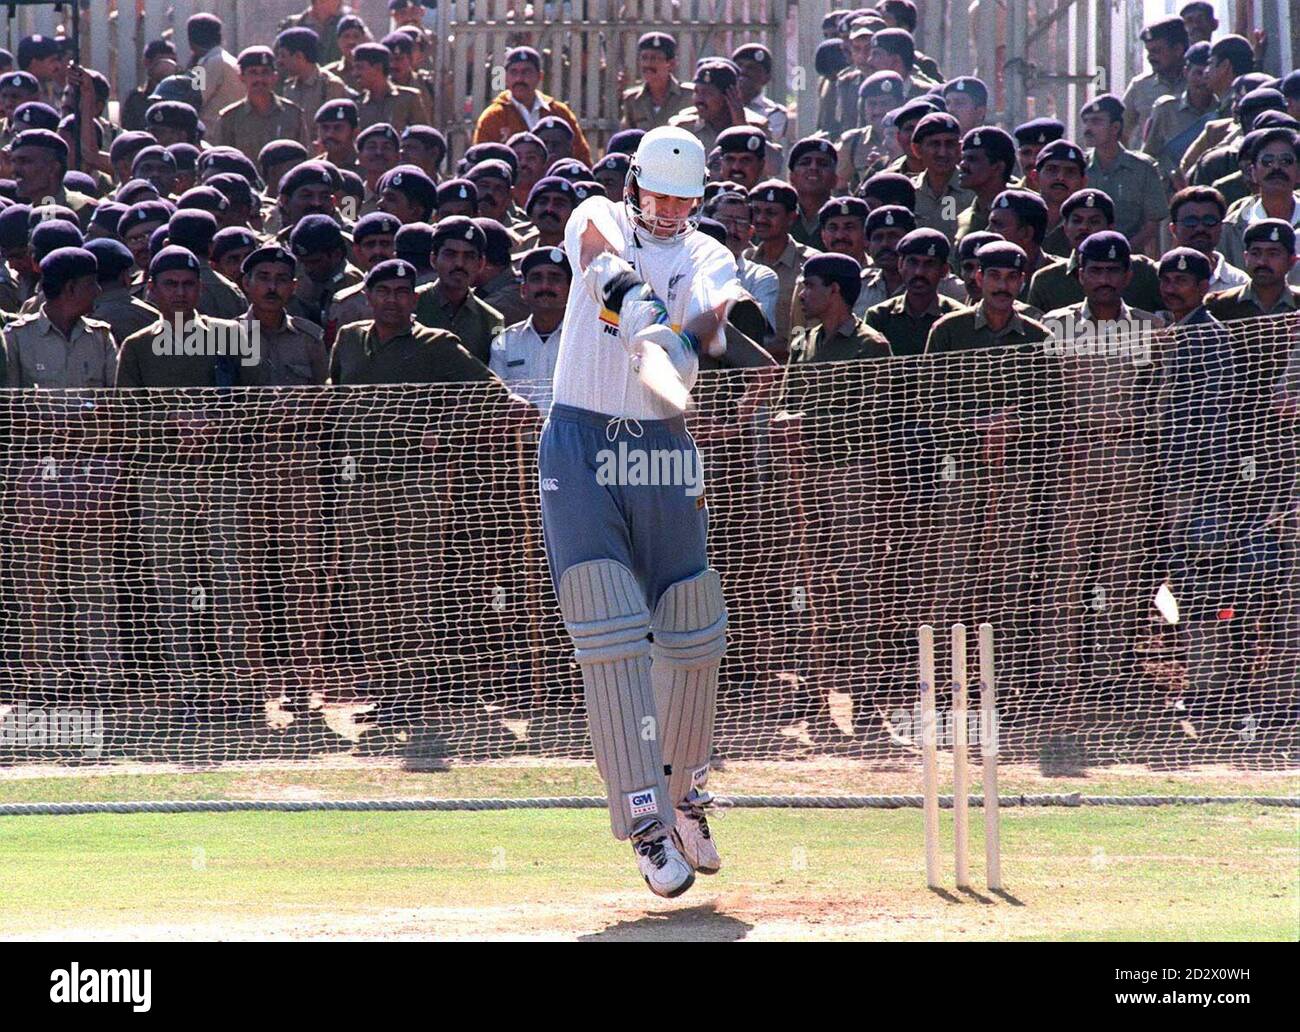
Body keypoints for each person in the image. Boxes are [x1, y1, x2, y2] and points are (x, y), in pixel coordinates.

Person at [540, 125, 740, 897]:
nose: (669, 210)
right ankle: (646, 825)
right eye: (658, 194)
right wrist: (630, 298)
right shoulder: (599, 212)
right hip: (581, 444)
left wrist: (675, 346)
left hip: (660, 445)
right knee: (610, 628)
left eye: (684, 199)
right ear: (635, 186)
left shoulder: (709, 254)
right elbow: (593, 248)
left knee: (693, 625)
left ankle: (684, 793)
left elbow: (703, 323)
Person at [473, 47, 591, 166]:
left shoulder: (559, 113)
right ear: (505, 77)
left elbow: (581, 156)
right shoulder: (493, 117)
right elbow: (481, 165)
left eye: (526, 72)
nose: (519, 79)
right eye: (514, 72)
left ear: (540, 76)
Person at [489, 245, 570, 417]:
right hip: (521, 440)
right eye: (536, 278)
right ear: (523, 291)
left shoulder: (585, 342)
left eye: (555, 278)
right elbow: (498, 401)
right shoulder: (505, 343)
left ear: (570, 289)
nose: (545, 286)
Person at [412, 216, 504, 364]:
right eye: (450, 254)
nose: (459, 264)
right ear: (433, 259)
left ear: (481, 264)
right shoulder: (411, 305)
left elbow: (497, 368)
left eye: (469, 256)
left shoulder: (493, 321)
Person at [214, 47, 309, 162]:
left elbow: (305, 159)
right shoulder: (230, 118)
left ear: (275, 77)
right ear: (241, 77)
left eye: (265, 72)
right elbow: (222, 162)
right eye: (253, 72)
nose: (259, 79)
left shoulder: (293, 115)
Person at [1122, 17, 1189, 146]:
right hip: (1150, 163)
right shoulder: (1140, 86)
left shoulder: (1199, 83)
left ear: (1178, 50)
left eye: (1156, 51)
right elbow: (1121, 133)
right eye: (1148, 51)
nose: (1150, 57)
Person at [621, 33, 694, 131]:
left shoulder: (689, 96)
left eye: (655, 58)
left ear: (671, 64)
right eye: (644, 58)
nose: (647, 64)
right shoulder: (632, 100)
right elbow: (628, 137)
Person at [186, 13, 245, 127]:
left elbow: (195, 99)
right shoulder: (229, 59)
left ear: (191, 40)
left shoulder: (209, 63)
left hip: (213, 133)